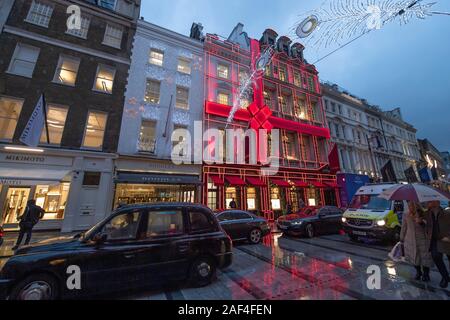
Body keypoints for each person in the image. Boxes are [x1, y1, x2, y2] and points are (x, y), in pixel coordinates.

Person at [400, 201, 434, 282]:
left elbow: (429, 227)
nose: (410, 207)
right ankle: (418, 272)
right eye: (409, 206)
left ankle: (426, 274)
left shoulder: (424, 214)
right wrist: (402, 238)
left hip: (423, 239)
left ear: (416, 205)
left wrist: (421, 222)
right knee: (414, 257)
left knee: (425, 257)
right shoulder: (406, 214)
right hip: (410, 239)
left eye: (412, 205)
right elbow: (404, 227)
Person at [426, 201, 450, 288]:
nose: (428, 203)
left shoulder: (446, 213)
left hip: (446, 240)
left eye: (431, 201)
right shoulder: (428, 214)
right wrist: (420, 222)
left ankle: (445, 278)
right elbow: (426, 227)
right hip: (435, 240)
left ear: (437, 203)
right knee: (436, 256)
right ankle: (445, 277)